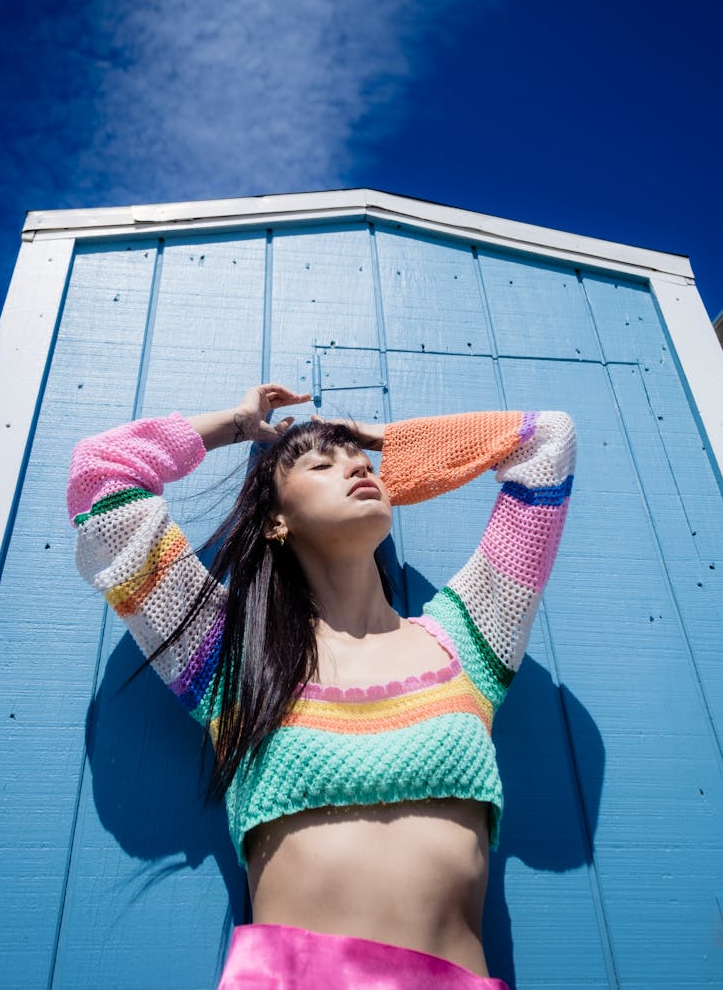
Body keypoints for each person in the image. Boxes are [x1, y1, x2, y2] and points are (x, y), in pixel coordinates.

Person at [68, 383, 576, 989]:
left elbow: (546, 441)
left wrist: (382, 438)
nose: (357, 466)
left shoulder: (467, 640)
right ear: (276, 519)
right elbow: (103, 475)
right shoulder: (233, 656)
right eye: (321, 463)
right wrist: (237, 424)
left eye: (360, 461)